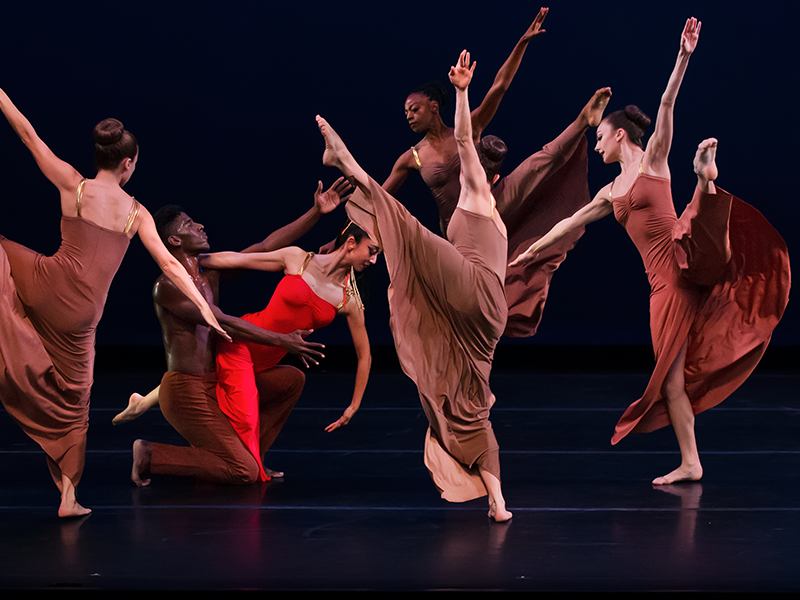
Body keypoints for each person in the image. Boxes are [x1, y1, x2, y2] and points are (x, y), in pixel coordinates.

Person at [0, 59, 230, 518]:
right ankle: (67, 497)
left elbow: (28, 135)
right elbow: (169, 265)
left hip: (45, 280)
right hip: (82, 318)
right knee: (75, 404)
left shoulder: (72, 185)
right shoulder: (136, 213)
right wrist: (206, 309)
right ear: (128, 163)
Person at [314, 47, 603, 522]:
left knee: (409, 229)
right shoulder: (491, 215)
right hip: (488, 312)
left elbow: (468, 134)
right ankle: (498, 502)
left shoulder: (474, 190)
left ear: (483, 175)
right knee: (473, 403)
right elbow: (413, 178)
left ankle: (343, 159)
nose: (408, 115)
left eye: (414, 107)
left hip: (469, 281)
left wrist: (463, 91)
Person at [510, 18, 790, 484]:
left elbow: (665, 103)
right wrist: (529, 251)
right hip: (664, 284)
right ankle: (691, 461)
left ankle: (704, 180)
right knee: (673, 379)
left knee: (671, 376)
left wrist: (683, 55)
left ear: (620, 134)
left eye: (599, 136)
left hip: (679, 269)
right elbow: (567, 224)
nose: (595, 142)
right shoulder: (610, 192)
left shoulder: (654, 159)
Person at [381, 7, 603, 337]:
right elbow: (380, 198)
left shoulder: (468, 127)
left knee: (537, 164)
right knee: (466, 294)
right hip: (460, 230)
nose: (409, 116)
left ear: (433, 107)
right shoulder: (411, 157)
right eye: (405, 112)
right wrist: (344, 235)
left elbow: (499, 86)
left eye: (414, 109)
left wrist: (522, 44)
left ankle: (582, 120)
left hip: (491, 201)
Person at [129, 184, 352, 486]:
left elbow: (266, 246)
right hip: (187, 391)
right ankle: (149, 454)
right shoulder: (168, 286)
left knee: (291, 380)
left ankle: (254, 458)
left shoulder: (209, 273)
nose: (200, 226)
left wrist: (315, 213)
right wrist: (282, 340)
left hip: (217, 379)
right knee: (241, 473)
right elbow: (222, 322)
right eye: (189, 224)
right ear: (174, 239)